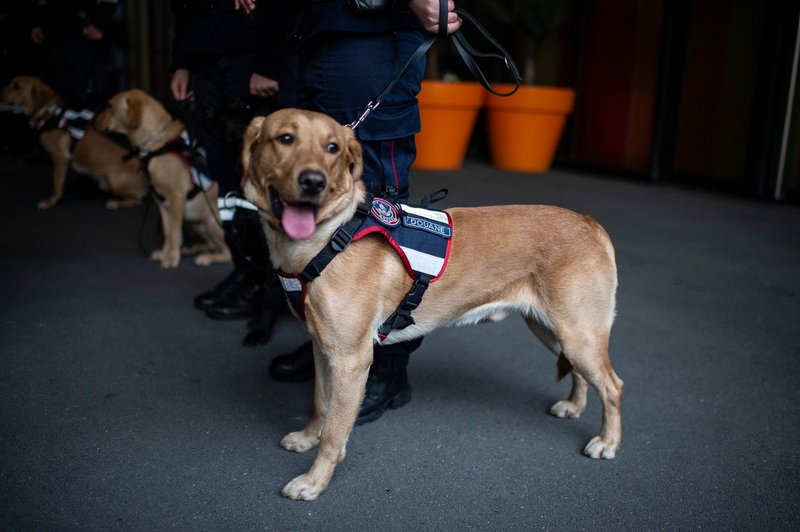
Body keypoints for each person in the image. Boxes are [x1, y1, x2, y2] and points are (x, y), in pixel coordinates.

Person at [236, 0, 461, 425]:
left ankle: (387, 366)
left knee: (382, 215)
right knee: (298, 172)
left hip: (369, 39)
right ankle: (335, 337)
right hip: (308, 34)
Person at [169, 0, 296, 340]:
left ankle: (270, 280)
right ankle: (246, 269)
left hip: (250, 49)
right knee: (224, 172)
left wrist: (272, 62)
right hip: (204, 51)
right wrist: (183, 62)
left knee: (259, 177)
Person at [31, 0, 122, 111]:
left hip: (88, 31)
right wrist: (38, 23)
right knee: (60, 87)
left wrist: (96, 23)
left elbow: (108, 3)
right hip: (57, 31)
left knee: (87, 92)